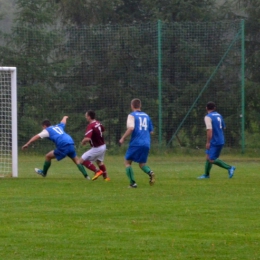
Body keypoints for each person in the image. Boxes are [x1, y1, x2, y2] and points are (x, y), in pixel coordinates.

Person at [22, 116, 90, 179]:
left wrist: (27, 144)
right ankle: (86, 176)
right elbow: (63, 122)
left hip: (63, 145)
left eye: (42, 127)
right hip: (70, 143)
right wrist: (65, 117)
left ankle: (43, 173)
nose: (42, 129)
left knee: (48, 156)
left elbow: (36, 136)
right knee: (77, 161)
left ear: (44, 126)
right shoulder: (58, 126)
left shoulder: (47, 130)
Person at [119, 98, 155, 188]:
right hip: (146, 143)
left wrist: (123, 138)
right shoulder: (146, 116)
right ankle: (150, 172)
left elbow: (131, 128)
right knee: (142, 164)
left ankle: (133, 183)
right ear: (140, 106)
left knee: (127, 162)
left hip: (136, 143)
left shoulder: (132, 115)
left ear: (132, 106)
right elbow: (151, 132)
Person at [197, 102, 236, 179]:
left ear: (206, 108)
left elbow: (209, 130)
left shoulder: (208, 117)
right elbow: (224, 127)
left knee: (211, 159)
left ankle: (229, 167)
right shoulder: (219, 115)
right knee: (208, 157)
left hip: (214, 141)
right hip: (220, 139)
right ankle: (206, 175)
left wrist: (208, 142)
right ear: (214, 108)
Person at [79, 110, 110, 181]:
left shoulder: (91, 126)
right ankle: (106, 178)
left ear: (89, 117)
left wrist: (83, 142)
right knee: (99, 162)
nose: (86, 117)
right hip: (103, 146)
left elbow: (87, 138)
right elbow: (103, 130)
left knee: (82, 160)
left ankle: (97, 171)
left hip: (97, 148)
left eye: (86, 116)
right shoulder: (98, 123)